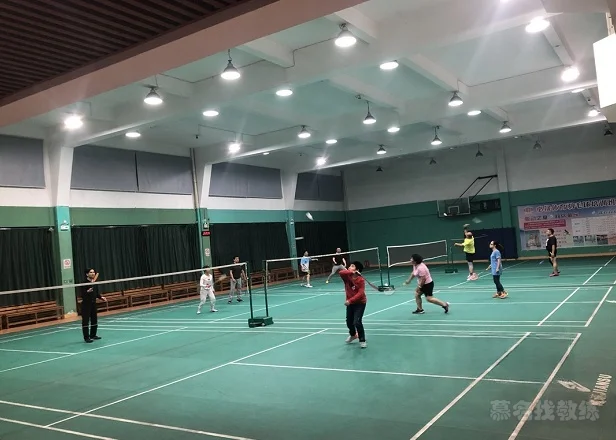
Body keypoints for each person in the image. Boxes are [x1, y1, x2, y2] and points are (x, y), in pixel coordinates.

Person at [339, 261, 367, 348]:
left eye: (352, 266)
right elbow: (341, 272)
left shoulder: (361, 280)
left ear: (357, 270)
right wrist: (352, 272)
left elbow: (360, 293)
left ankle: (362, 339)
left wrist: (350, 301)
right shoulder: (347, 277)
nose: (349, 267)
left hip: (360, 303)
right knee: (349, 322)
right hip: (350, 304)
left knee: (357, 322)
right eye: (350, 266)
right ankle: (353, 335)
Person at [80, 268, 106, 343]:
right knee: (85, 321)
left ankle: (93, 335)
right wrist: (87, 291)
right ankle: (86, 337)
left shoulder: (94, 283)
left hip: (93, 303)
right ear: (87, 274)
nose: (93, 273)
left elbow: (96, 293)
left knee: (94, 320)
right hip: (86, 305)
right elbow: (82, 295)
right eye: (91, 272)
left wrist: (101, 297)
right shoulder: (84, 283)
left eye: (93, 272)